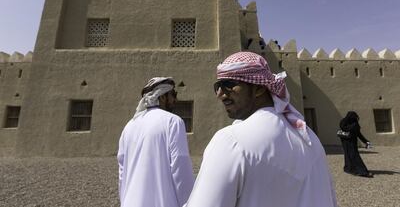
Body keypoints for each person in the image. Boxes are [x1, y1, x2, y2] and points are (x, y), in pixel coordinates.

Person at [185, 52, 337, 207]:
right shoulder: (311, 139)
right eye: (218, 86)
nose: (220, 95)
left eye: (228, 85)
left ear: (258, 88)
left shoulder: (231, 140)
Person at [117, 77, 194, 207]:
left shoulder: (129, 125)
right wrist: (189, 203)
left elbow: (122, 174)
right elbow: (180, 168)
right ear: (162, 97)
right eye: (173, 95)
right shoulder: (173, 122)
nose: (175, 99)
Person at [339, 111, 373, 178]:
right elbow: (344, 128)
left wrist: (365, 141)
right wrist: (353, 126)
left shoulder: (354, 123)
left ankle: (354, 169)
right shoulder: (346, 122)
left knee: (353, 155)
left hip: (351, 142)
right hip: (346, 142)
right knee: (350, 155)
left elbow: (358, 134)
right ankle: (361, 171)